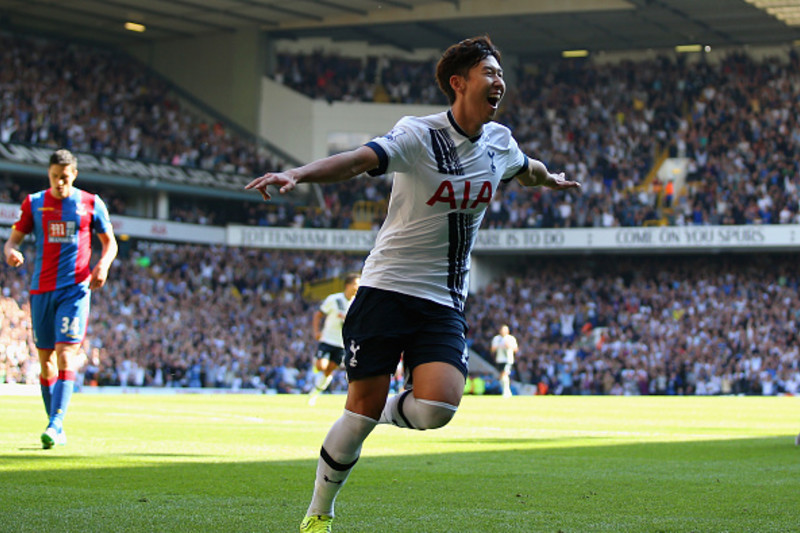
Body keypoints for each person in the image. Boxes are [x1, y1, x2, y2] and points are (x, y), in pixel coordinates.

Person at [246, 35, 580, 533]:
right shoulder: (417, 135)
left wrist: (548, 178)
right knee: (355, 420)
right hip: (385, 290)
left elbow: (523, 169)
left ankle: (379, 407)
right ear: (458, 82)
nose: (499, 82)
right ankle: (319, 512)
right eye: (489, 73)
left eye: (501, 75)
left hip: (444, 299)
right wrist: (299, 174)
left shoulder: (499, 141)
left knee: (440, 406)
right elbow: (359, 160)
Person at [3, 149, 117, 449]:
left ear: (74, 175)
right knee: (45, 362)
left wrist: (102, 265)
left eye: (64, 177)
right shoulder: (35, 203)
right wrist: (11, 251)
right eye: (54, 177)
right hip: (41, 289)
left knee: (66, 353)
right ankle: (55, 423)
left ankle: (55, 424)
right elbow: (13, 239)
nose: (59, 183)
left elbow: (110, 243)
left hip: (75, 289)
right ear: (49, 174)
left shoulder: (91, 203)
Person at [308, 273, 360, 406]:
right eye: (356, 283)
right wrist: (316, 331)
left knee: (329, 370)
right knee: (321, 366)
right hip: (327, 340)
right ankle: (316, 366)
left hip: (342, 344)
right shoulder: (334, 299)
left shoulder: (357, 303)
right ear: (348, 285)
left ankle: (315, 392)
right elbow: (318, 315)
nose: (358, 286)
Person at [491, 324, 519, 397]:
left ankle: (506, 391)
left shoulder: (511, 339)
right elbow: (492, 349)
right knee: (502, 376)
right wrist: (499, 346)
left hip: (508, 359)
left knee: (505, 373)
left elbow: (516, 349)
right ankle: (506, 390)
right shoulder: (497, 339)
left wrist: (509, 346)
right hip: (499, 359)